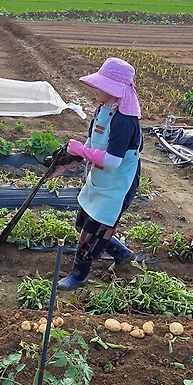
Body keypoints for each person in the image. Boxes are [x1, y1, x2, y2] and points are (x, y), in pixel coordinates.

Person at [55, 57, 143, 290]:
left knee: (91, 234)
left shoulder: (125, 121)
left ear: (116, 91)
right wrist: (70, 161)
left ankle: (79, 275)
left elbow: (113, 161)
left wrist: (82, 151)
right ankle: (121, 253)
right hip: (101, 178)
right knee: (83, 223)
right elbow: (92, 142)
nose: (97, 90)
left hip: (118, 183)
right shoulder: (103, 109)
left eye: (102, 86)